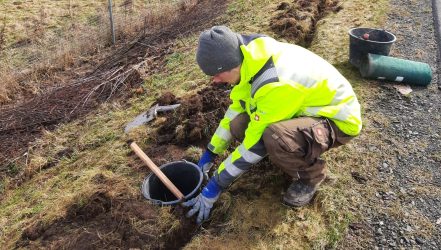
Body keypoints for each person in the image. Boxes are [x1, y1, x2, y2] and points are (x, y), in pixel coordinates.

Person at [182, 26, 362, 224]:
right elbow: (236, 109)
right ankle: (287, 153)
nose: (214, 81)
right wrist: (210, 153)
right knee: (238, 124)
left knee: (274, 137)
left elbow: (255, 143)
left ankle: (311, 176)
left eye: (216, 75)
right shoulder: (248, 58)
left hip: (337, 119)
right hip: (300, 105)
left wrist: (216, 183)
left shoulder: (274, 82)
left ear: (231, 66)